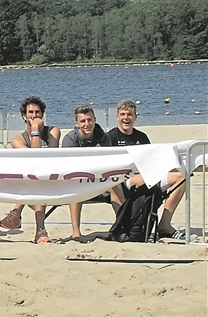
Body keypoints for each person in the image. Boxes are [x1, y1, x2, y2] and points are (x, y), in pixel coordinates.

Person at [104, 99, 187, 239]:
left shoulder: (142, 137)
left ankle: (164, 225)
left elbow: (150, 162)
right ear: (117, 117)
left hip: (147, 176)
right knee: (140, 179)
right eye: (123, 114)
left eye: (129, 114)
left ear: (135, 117)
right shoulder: (110, 137)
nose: (126, 118)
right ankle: (124, 224)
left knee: (181, 178)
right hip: (123, 180)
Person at [0, 96, 61, 244]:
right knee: (35, 181)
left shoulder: (53, 131)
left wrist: (36, 130)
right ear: (24, 116)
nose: (34, 115)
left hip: (52, 177)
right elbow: (34, 160)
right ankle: (40, 231)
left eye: (37, 112)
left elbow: (42, 158)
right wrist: (34, 130)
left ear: (42, 114)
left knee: (37, 180)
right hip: (33, 180)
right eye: (30, 112)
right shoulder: (17, 140)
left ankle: (17, 211)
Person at [61, 105, 116, 239]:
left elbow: (109, 163)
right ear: (77, 123)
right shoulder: (70, 139)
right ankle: (76, 232)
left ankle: (122, 225)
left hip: (100, 178)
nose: (87, 124)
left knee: (116, 184)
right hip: (78, 178)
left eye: (89, 120)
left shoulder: (103, 137)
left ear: (95, 120)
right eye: (83, 121)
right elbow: (69, 168)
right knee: (75, 185)